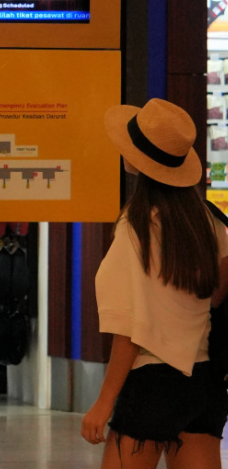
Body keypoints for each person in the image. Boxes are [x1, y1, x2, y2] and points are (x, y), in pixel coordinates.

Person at [81, 98, 228, 468]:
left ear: (136, 161)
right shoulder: (208, 222)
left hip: (151, 383)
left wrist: (104, 401)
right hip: (204, 380)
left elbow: (130, 330)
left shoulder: (137, 230)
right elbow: (217, 293)